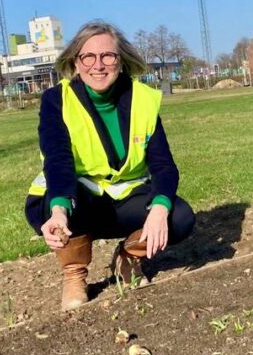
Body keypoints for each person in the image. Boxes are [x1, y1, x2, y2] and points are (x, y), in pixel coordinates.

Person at [24, 20, 196, 311]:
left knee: (179, 217)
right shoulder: (57, 100)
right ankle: (74, 273)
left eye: (108, 56)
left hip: (125, 201)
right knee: (63, 205)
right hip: (75, 201)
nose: (98, 65)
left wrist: (159, 207)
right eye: (88, 56)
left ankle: (128, 258)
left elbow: (164, 165)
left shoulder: (142, 99)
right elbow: (58, 160)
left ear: (121, 61)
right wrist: (59, 211)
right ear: (75, 63)